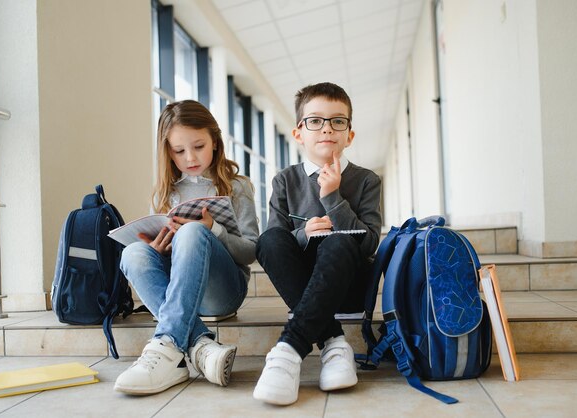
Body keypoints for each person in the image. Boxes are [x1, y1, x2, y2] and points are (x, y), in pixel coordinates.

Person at [114, 100, 259, 395]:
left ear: (215, 143)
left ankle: (167, 345)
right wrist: (159, 249)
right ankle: (198, 348)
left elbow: (252, 252)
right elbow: (156, 253)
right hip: (181, 292)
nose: (190, 157)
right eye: (179, 151)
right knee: (133, 253)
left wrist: (214, 231)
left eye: (199, 146)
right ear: (167, 151)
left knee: (192, 231)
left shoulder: (237, 186)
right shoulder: (166, 193)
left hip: (223, 293)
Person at [253, 82, 382, 405]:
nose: (327, 128)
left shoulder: (367, 180)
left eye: (338, 121)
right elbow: (275, 242)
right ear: (299, 133)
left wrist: (333, 198)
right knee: (268, 240)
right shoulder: (285, 180)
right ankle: (334, 342)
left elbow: (368, 245)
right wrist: (303, 234)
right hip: (302, 287)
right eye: (315, 120)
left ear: (349, 134)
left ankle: (289, 349)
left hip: (349, 287)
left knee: (338, 244)